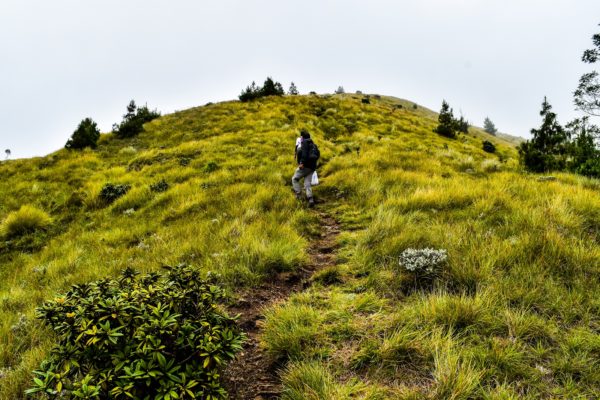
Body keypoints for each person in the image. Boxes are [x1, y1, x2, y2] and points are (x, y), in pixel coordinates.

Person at [292, 130, 318, 207]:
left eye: (301, 136)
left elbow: (304, 154)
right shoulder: (313, 144)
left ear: (302, 137)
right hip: (312, 167)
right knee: (307, 183)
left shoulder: (304, 143)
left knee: (295, 179)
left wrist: (301, 163)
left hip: (305, 166)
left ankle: (299, 196)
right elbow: (318, 154)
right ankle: (310, 199)